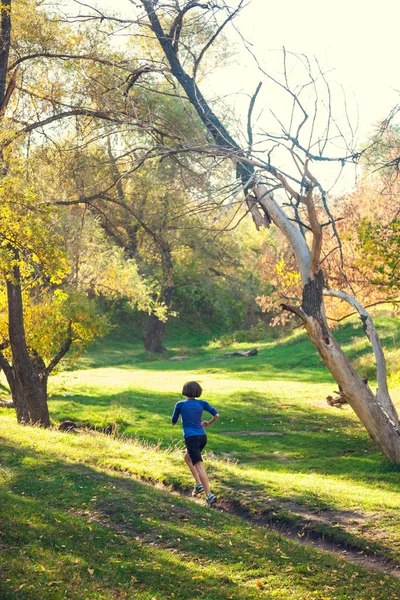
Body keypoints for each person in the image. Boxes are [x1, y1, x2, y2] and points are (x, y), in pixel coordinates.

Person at [171, 381, 219, 506]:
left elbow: (173, 421)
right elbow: (216, 415)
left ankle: (209, 495)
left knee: (199, 466)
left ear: (185, 391)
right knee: (187, 458)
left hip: (191, 438)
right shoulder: (202, 403)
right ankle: (198, 485)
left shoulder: (180, 404)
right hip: (202, 437)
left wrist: (180, 417)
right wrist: (208, 423)